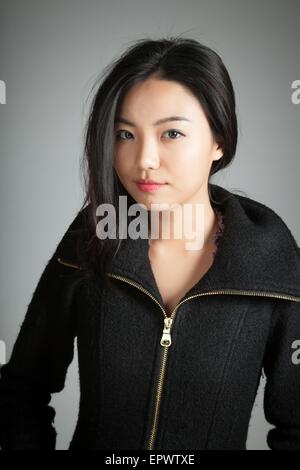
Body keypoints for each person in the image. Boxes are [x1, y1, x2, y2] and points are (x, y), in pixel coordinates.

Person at [0, 36, 299, 451]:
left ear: (219, 141)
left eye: (171, 133)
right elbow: (21, 389)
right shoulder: (91, 238)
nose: (144, 160)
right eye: (125, 134)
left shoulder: (270, 256)